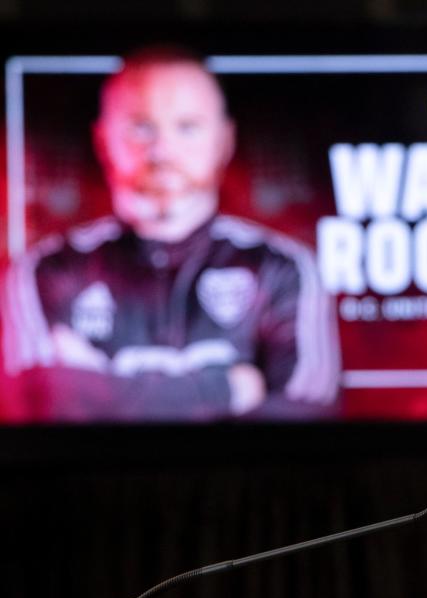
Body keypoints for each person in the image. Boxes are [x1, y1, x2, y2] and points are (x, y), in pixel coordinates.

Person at [1, 47, 341, 421]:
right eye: (141, 127)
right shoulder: (42, 273)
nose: (162, 150)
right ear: (102, 138)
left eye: (187, 126)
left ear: (224, 140)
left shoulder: (283, 269)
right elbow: (33, 400)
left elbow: (306, 410)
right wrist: (228, 389)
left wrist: (101, 391)